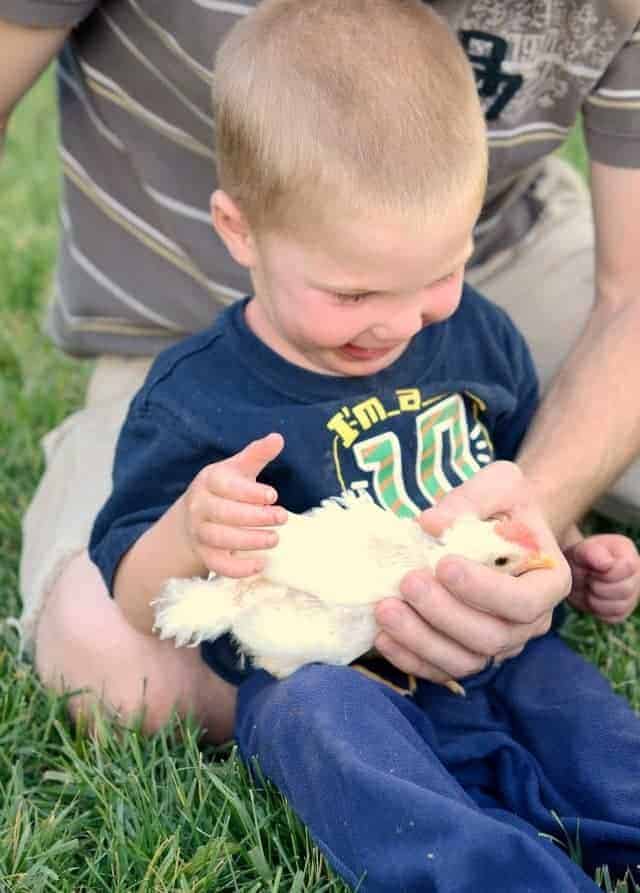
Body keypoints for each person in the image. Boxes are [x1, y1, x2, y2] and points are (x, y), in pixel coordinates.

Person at [86, 2, 640, 888]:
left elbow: (510, 489)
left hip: (501, 650)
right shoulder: (198, 395)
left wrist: (574, 549)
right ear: (243, 232)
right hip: (333, 671)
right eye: (350, 294)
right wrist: (191, 533)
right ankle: (491, 873)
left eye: (441, 274)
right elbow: (133, 588)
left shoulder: (480, 339)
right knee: (322, 727)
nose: (396, 320)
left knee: (593, 730)